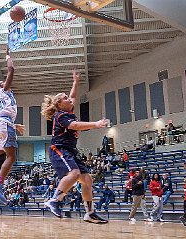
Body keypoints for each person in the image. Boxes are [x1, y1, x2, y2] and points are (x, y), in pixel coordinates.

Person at [40, 70, 108, 224]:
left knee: (87, 180)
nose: (69, 100)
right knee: (74, 173)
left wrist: (76, 82)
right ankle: (54, 201)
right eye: (65, 99)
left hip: (71, 150)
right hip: (59, 149)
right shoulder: (61, 116)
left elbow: (73, 97)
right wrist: (95, 124)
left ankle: (89, 213)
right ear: (59, 105)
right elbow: (75, 125)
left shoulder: (68, 110)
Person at [0, 47, 25, 206]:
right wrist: (8, 55)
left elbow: (2, 114)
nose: (5, 82)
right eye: (2, 82)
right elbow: (11, 69)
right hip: (3, 124)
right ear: (0, 86)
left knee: (0, 158)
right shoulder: (4, 89)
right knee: (11, 156)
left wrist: (14, 126)